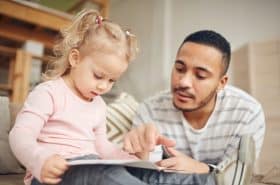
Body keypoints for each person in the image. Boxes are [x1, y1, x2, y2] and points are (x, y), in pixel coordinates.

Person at [9, 9, 141, 185]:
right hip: (53, 173)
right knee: (102, 174)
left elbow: (102, 146)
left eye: (112, 81)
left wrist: (131, 160)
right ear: (75, 58)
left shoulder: (99, 104)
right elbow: (20, 134)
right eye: (98, 76)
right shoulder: (48, 93)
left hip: (91, 166)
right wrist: (40, 160)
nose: (104, 86)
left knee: (144, 175)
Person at [123, 30, 265, 184]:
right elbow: (144, 171)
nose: (183, 82)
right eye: (179, 69)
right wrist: (139, 153)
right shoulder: (150, 109)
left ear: (221, 83)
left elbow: (238, 176)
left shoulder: (247, 112)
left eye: (200, 76)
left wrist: (201, 168)